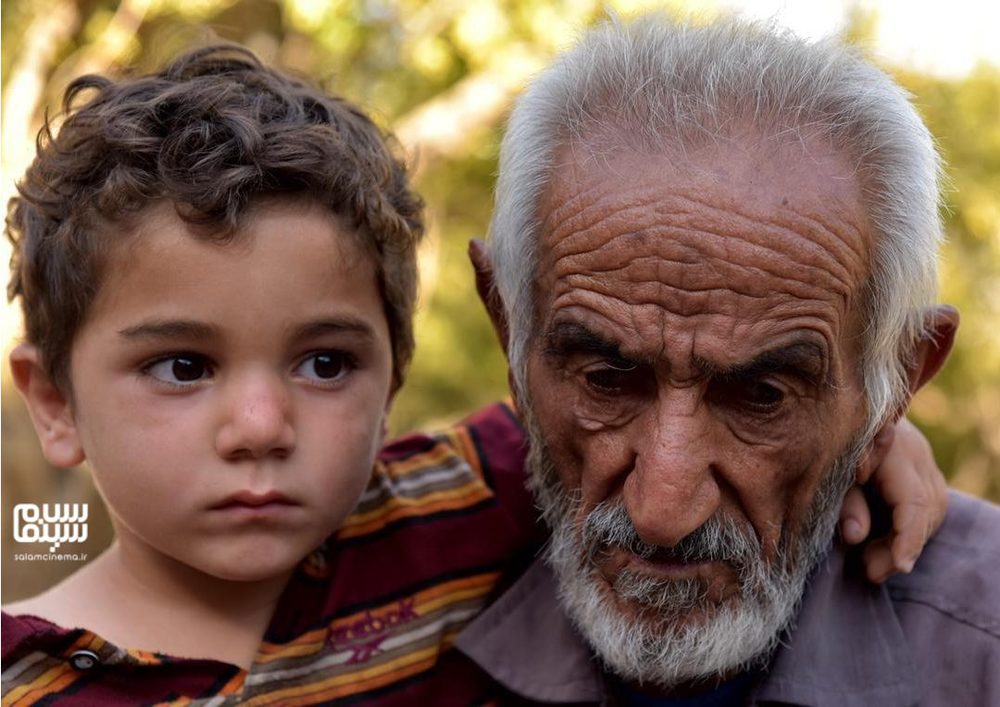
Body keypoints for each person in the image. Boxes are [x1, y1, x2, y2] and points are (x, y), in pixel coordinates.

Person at [0, 38, 952, 706]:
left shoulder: (450, 506)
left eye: (326, 362)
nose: (260, 425)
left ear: (396, 371)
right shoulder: (25, 674)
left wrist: (871, 430)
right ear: (53, 402)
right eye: (182, 366)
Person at [455, 13, 1000, 705]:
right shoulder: (378, 578)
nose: (663, 508)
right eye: (605, 380)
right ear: (510, 333)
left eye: (762, 395)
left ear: (894, 386)